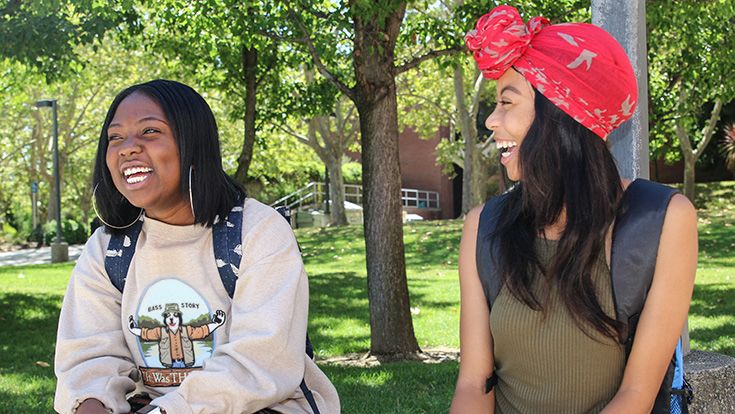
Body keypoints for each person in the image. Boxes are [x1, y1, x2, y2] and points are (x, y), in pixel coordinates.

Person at [450, 6, 697, 413]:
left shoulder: (664, 220)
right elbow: (474, 384)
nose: (491, 120)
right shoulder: (483, 227)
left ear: (560, 114)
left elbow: (636, 394)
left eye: (507, 103)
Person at [54, 79, 340, 414]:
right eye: (115, 137)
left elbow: (261, 360)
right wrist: (91, 404)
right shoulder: (108, 249)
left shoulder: (256, 231)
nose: (126, 148)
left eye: (149, 132)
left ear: (193, 142)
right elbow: (88, 358)